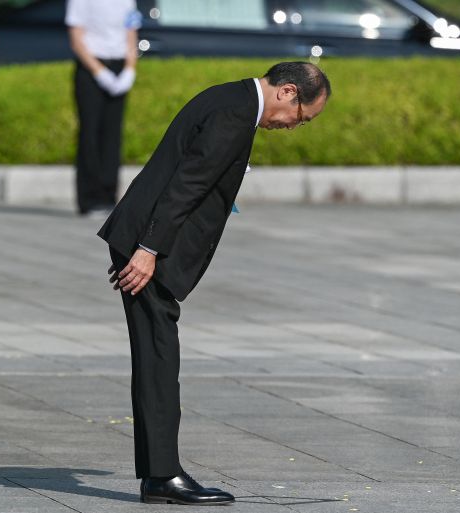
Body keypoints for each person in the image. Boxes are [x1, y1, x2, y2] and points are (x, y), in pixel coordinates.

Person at [97, 62, 331, 505]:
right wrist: (146, 250)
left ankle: (158, 473)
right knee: (159, 357)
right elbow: (187, 185)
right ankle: (162, 476)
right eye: (301, 116)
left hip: (145, 236)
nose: (294, 126)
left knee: (155, 353)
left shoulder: (232, 98)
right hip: (153, 243)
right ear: (286, 92)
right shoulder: (234, 115)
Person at [66, 0, 141, 217]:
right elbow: (77, 39)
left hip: (119, 65)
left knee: (112, 134)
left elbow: (131, 32)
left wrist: (130, 69)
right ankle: (89, 199)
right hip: (92, 67)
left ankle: (108, 196)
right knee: (90, 132)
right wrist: (99, 72)